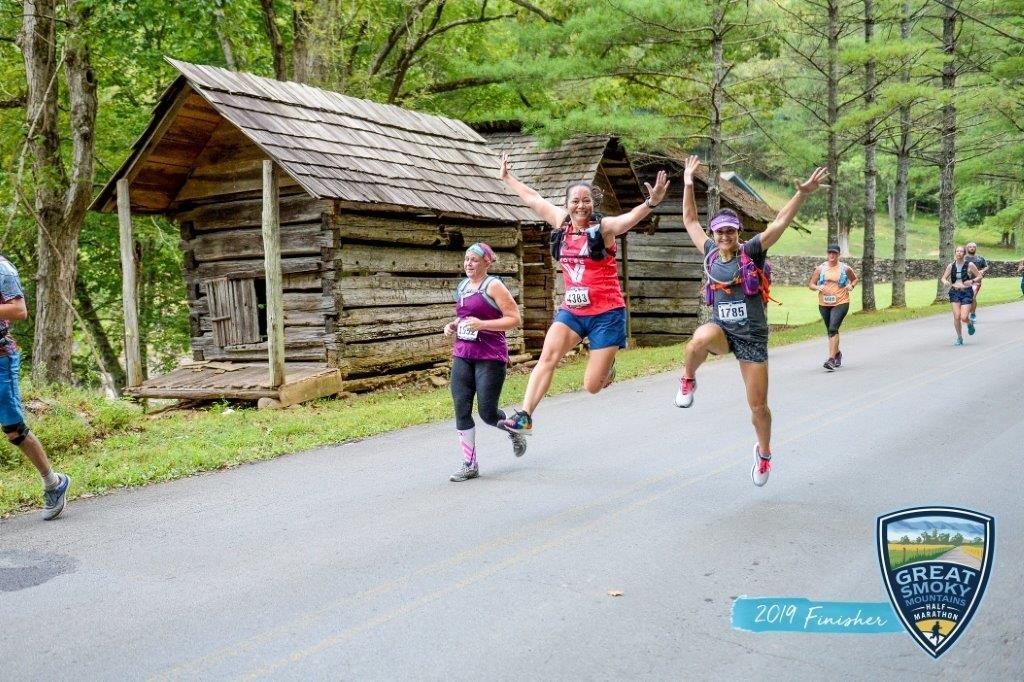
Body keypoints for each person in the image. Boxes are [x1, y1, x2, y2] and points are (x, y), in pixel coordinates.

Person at [674, 155, 828, 487]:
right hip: (722, 331)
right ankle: (688, 379)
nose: (725, 235)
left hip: (752, 338)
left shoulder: (752, 251)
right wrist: (688, 183)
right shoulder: (711, 253)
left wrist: (801, 193)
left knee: (758, 407)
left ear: (737, 231)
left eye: (730, 230)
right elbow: (689, 220)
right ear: (715, 234)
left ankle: (765, 453)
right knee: (697, 340)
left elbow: (780, 223)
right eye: (720, 231)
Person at [496, 153, 669, 436]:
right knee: (547, 357)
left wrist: (651, 203)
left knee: (591, 386)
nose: (580, 205)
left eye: (586, 200)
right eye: (575, 201)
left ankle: (607, 366)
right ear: (566, 205)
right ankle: (525, 416)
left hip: (606, 314)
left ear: (593, 204)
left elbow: (627, 220)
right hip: (573, 313)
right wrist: (507, 178)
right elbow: (533, 199)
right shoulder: (561, 224)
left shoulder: (604, 229)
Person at [443, 243, 524, 482]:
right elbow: (465, 316)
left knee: (487, 412)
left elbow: (514, 318)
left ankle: (512, 428)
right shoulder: (463, 286)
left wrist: (483, 325)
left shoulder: (494, 285)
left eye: (474, 260)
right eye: (466, 259)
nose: (468, 264)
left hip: (490, 356)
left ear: (486, 262)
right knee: (461, 407)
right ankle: (469, 464)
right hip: (463, 354)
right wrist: (453, 325)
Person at [0, 255, 70, 519]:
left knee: (13, 429)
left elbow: (19, 310)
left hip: (1, 357)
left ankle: (54, 483)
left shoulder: (2, 269)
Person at [807, 244, 858, 371]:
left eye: (834, 253)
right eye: (830, 253)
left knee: (833, 328)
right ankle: (837, 353)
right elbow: (811, 284)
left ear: (838, 255)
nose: (831, 255)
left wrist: (851, 286)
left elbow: (855, 279)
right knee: (831, 331)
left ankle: (831, 359)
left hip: (841, 302)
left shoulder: (845, 268)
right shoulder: (820, 268)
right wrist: (818, 287)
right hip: (824, 303)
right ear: (827, 254)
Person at [941, 246, 981, 346]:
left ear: (964, 253)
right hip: (954, 292)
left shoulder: (970, 264)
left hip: (967, 292)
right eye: (957, 251)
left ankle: (969, 323)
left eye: (961, 251)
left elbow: (979, 276)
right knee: (957, 316)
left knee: (963, 317)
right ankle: (959, 338)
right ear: (955, 253)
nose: (959, 253)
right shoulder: (951, 266)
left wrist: (972, 281)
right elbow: (943, 278)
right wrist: (945, 281)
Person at [963, 242, 988, 322]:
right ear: (967, 248)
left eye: (974, 247)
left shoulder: (980, 258)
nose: (972, 248)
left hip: (976, 281)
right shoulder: (963, 258)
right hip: (964, 281)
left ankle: (973, 314)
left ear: (975, 248)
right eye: (970, 247)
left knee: (972, 297)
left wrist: (982, 270)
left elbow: (986, 266)